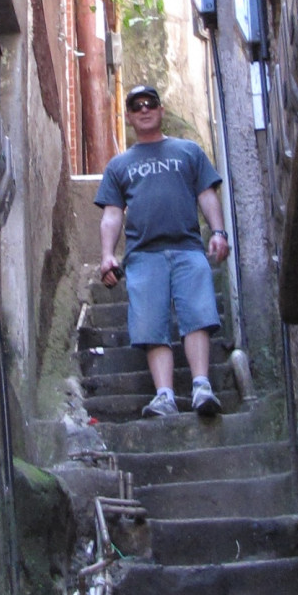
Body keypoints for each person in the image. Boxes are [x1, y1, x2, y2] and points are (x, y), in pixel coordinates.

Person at [95, 83, 230, 418]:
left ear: (160, 110)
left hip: (187, 248)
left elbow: (207, 194)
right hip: (143, 255)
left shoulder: (188, 152)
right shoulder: (118, 165)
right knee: (150, 325)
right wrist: (107, 255)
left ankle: (201, 387)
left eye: (150, 103)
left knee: (198, 315)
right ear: (127, 116)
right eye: (136, 105)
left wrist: (219, 232)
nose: (144, 109)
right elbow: (112, 214)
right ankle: (165, 396)